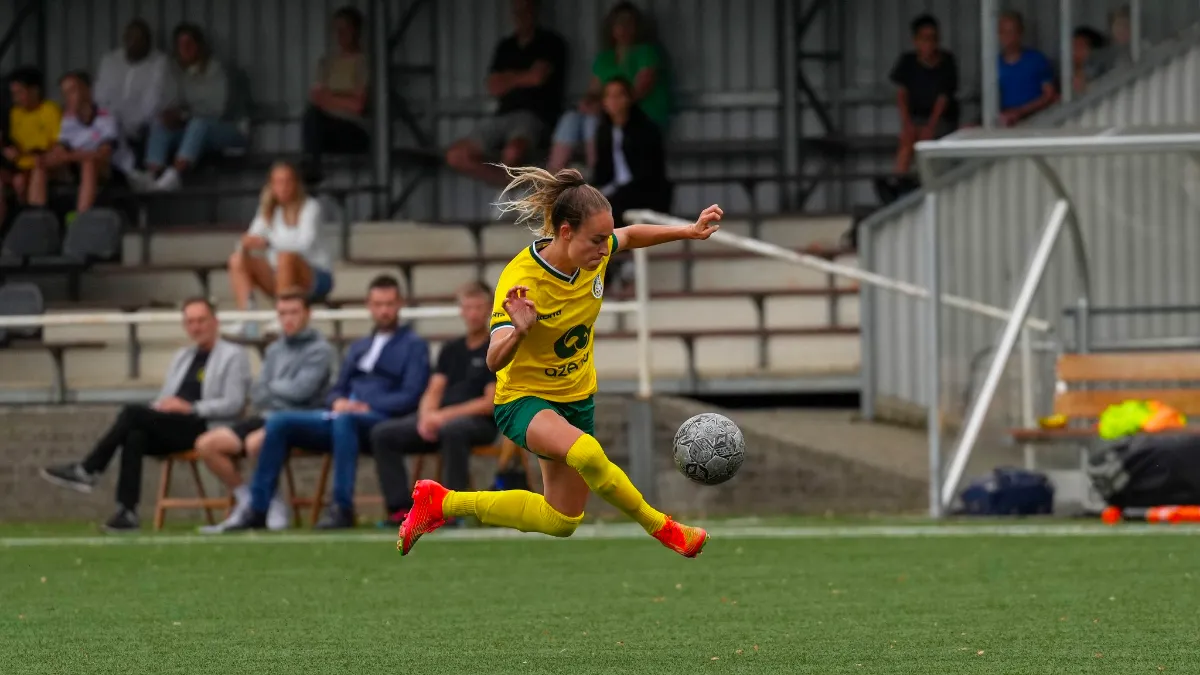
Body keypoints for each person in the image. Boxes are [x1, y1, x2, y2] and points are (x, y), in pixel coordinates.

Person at [397, 166, 721, 558]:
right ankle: (664, 528)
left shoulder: (595, 253)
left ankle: (442, 503)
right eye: (596, 241)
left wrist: (689, 231)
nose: (605, 250)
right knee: (587, 454)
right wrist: (518, 331)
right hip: (524, 400)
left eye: (606, 240)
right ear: (565, 232)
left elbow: (631, 235)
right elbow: (493, 360)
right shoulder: (523, 280)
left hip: (576, 398)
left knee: (561, 520)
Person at [223, 275, 431, 531]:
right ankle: (257, 509)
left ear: (399, 304)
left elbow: (411, 395)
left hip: (380, 419)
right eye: (378, 304)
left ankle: (342, 508)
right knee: (278, 422)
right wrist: (339, 401)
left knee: (344, 421)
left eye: (389, 304)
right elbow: (336, 389)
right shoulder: (359, 346)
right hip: (342, 416)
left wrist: (366, 406)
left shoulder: (414, 346)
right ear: (369, 306)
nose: (384, 311)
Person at [38, 297, 251, 532]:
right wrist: (160, 406)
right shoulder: (183, 356)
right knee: (134, 435)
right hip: (173, 424)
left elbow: (234, 403)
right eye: (190, 322)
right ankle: (127, 512)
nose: (196, 327)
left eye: (201, 320)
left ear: (215, 322)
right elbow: (166, 396)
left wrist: (192, 408)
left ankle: (89, 469)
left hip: (206, 426)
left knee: (132, 413)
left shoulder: (233, 355)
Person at [194, 291, 335, 533]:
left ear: (307, 314)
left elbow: (301, 391)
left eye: (294, 312)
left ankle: (271, 504)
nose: (288, 319)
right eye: (282, 313)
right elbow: (258, 392)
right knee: (207, 445)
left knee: (256, 443)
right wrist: (276, 389)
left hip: (299, 418)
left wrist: (272, 388)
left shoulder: (320, 349)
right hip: (266, 415)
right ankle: (247, 500)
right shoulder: (274, 349)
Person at [370, 281, 498, 526]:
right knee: (383, 434)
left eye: (478, 307)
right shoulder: (451, 349)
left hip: (479, 423)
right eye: (468, 308)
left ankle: (450, 510)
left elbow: (489, 402)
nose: (473, 314)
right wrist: (427, 416)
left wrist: (443, 416)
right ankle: (400, 510)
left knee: (453, 431)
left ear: (490, 309)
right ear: (461, 311)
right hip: (440, 420)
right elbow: (434, 389)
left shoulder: (495, 348)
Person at [444, 0, 567, 187]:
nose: (521, 16)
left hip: (534, 116)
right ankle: (506, 187)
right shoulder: (506, 46)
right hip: (502, 116)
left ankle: (507, 190)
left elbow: (537, 78)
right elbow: (493, 86)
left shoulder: (550, 42)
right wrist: (524, 76)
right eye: (517, 11)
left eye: (525, 10)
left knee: (512, 153)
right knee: (455, 156)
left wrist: (508, 78)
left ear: (535, 11)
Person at [546, 1, 670, 173]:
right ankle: (551, 176)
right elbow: (594, 92)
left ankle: (597, 174)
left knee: (593, 121)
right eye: (619, 23)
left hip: (638, 118)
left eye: (629, 23)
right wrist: (587, 103)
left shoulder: (646, 52)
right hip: (608, 114)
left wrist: (604, 107)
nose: (624, 28)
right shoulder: (605, 58)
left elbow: (639, 91)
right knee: (570, 118)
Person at [224, 162, 334, 338]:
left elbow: (303, 245)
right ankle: (247, 319)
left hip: (314, 275)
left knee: (286, 257)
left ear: (296, 184)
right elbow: (250, 238)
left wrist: (268, 243)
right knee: (237, 260)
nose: (283, 187)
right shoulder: (268, 209)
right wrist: (246, 244)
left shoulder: (310, 207)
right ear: (271, 186)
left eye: (287, 181)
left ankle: (282, 315)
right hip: (279, 275)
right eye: (278, 182)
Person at [133, 23, 245, 192]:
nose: (185, 49)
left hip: (230, 130)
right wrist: (171, 116)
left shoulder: (216, 70)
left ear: (199, 46)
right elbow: (173, 102)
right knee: (161, 124)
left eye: (189, 44)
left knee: (199, 123)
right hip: (195, 132)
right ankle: (153, 174)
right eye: (180, 45)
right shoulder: (177, 72)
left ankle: (175, 175)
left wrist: (184, 115)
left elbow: (217, 109)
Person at [27, 71, 133, 218]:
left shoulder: (106, 116)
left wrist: (69, 156)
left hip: (114, 171)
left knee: (89, 163)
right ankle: (36, 218)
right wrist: (50, 158)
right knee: (41, 163)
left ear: (87, 91)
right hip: (78, 166)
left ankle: (81, 218)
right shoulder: (68, 120)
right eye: (64, 93)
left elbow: (104, 153)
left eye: (72, 91)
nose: (67, 98)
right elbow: (60, 150)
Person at [302, 5, 370, 183]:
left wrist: (329, 98)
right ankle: (312, 168)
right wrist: (342, 99)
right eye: (337, 30)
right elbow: (316, 98)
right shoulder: (326, 63)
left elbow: (358, 105)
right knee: (311, 116)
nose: (340, 34)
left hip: (354, 130)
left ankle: (312, 167)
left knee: (315, 117)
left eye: (345, 29)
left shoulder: (364, 62)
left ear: (356, 31)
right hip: (326, 128)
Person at [888, 14, 959, 177]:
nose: (929, 43)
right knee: (907, 142)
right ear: (916, 41)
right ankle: (898, 181)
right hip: (916, 118)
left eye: (934, 38)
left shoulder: (947, 61)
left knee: (925, 143)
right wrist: (907, 124)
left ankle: (926, 184)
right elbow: (901, 95)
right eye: (925, 38)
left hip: (942, 120)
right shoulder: (907, 61)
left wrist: (930, 126)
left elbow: (943, 99)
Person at [94, 18, 170, 149]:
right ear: (124, 39)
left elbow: (153, 102)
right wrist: (111, 122)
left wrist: (133, 125)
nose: (134, 43)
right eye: (131, 38)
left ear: (149, 42)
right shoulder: (110, 61)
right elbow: (100, 97)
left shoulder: (159, 62)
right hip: (110, 125)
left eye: (140, 40)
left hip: (141, 129)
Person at [1, 66, 61, 226]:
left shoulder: (50, 110)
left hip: (44, 165)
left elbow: (57, 146)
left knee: (35, 171)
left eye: (20, 92)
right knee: (16, 180)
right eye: (13, 93)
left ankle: (35, 223)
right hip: (19, 166)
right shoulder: (14, 113)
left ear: (35, 90)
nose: (16, 98)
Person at [996, 11, 1057, 128]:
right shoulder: (994, 64)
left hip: (1037, 121)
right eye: (1003, 32)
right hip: (1005, 123)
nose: (1007, 37)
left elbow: (1049, 95)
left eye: (1011, 31)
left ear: (1020, 33)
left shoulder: (1037, 60)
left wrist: (1020, 112)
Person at [1072, 26, 1110, 96]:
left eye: (1080, 46)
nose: (1074, 50)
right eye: (1073, 46)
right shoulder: (1066, 82)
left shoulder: (1102, 80)